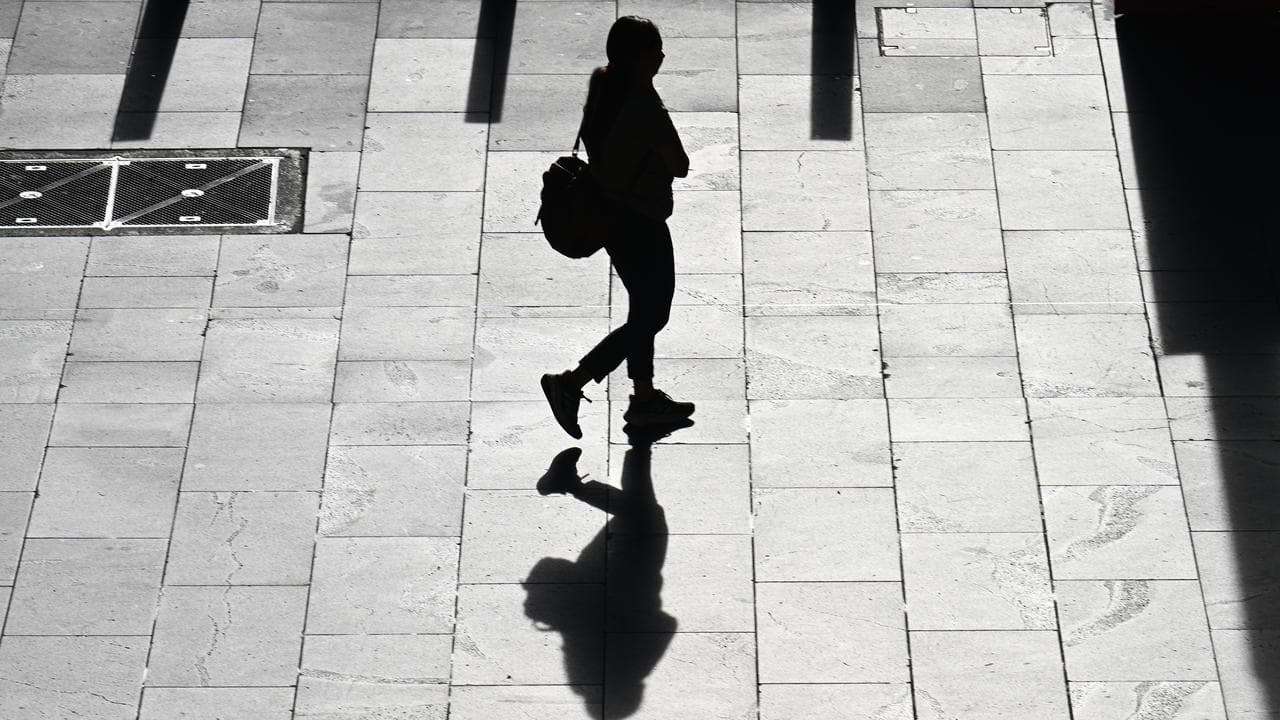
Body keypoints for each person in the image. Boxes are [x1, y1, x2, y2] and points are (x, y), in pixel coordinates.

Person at [541, 16, 694, 440]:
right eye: (654, 50)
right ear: (636, 57)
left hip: (609, 212)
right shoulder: (645, 105)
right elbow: (680, 164)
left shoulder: (603, 82)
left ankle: (643, 399)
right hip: (640, 218)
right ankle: (571, 383)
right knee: (653, 312)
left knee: (642, 308)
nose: (662, 56)